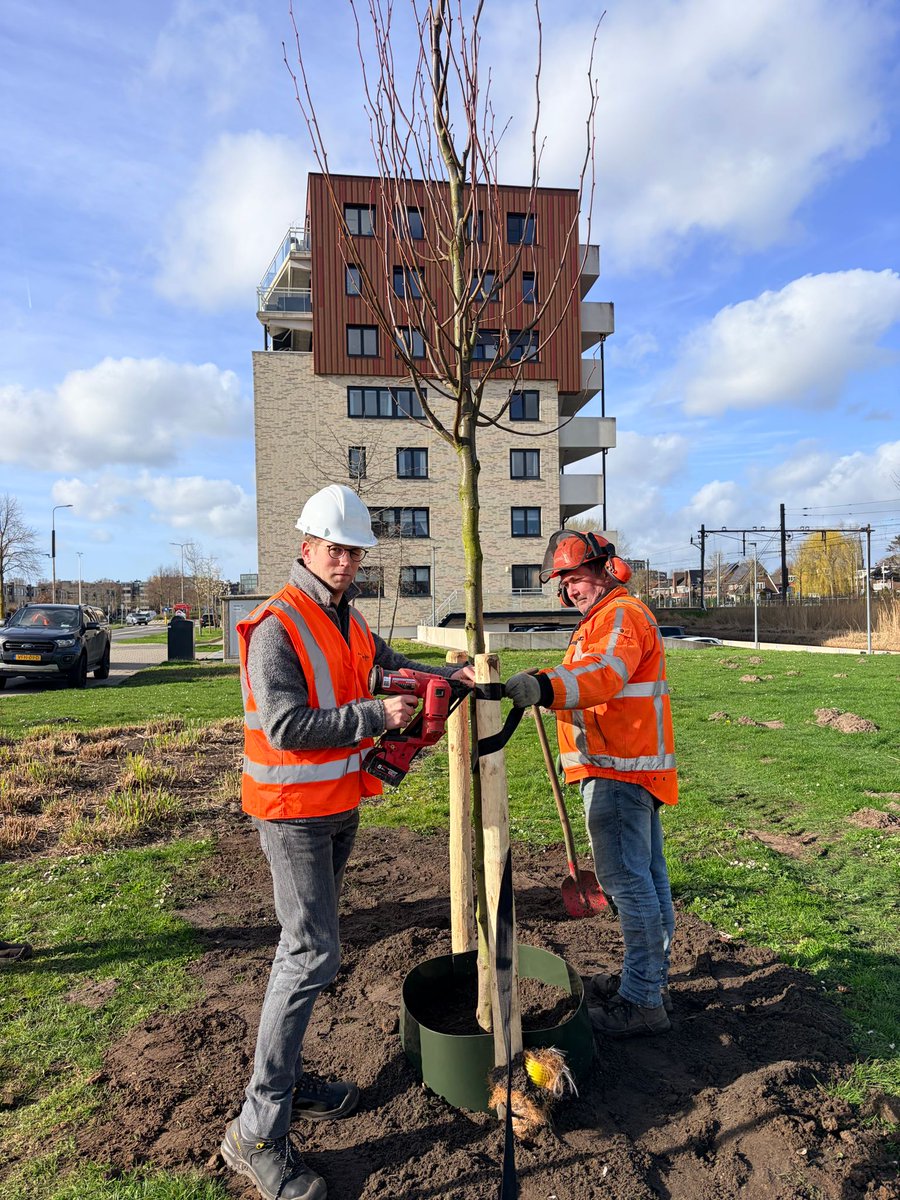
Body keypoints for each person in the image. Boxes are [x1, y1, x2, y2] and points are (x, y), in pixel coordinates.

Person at [221, 483, 474, 1200]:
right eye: (335, 550)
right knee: (309, 953)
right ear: (307, 546)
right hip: (292, 810)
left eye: (354, 552)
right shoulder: (277, 625)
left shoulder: (347, 619)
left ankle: (289, 1083)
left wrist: (442, 680)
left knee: (307, 952)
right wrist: (371, 715)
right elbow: (283, 726)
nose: (345, 562)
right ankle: (255, 1131)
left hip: (336, 804)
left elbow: (387, 663)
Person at [504, 530, 677, 1038]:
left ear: (605, 570)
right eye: (566, 582)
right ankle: (647, 982)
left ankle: (642, 1000)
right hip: (628, 767)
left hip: (617, 771)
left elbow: (605, 674)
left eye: (578, 578)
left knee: (628, 884)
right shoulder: (605, 618)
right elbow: (589, 672)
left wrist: (547, 686)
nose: (573, 589)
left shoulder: (620, 616)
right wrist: (544, 676)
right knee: (647, 881)